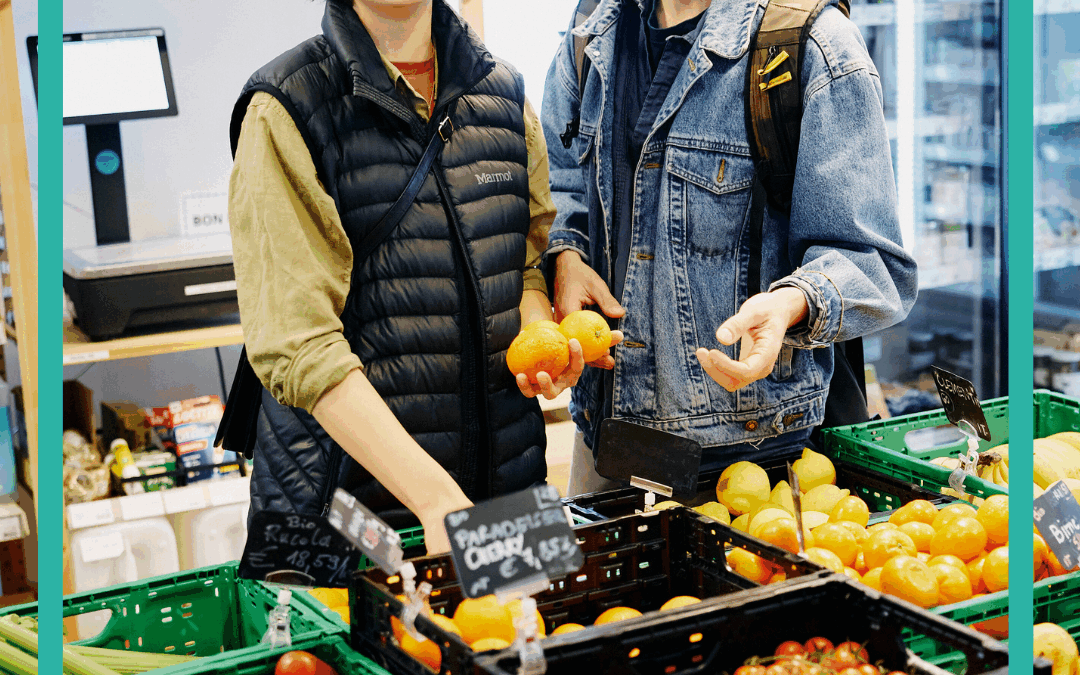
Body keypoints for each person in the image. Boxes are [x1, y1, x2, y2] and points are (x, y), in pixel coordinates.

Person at [227, 0, 603, 555]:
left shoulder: (502, 93)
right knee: (387, 645)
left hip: (511, 493)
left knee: (529, 639)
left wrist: (536, 342)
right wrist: (435, 501)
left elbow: (523, 264)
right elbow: (300, 344)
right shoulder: (286, 106)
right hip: (354, 522)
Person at [541, 0, 918, 496]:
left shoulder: (812, 45)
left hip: (755, 465)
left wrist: (792, 302)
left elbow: (875, 264)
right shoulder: (593, 30)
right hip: (606, 443)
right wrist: (568, 253)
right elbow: (561, 178)